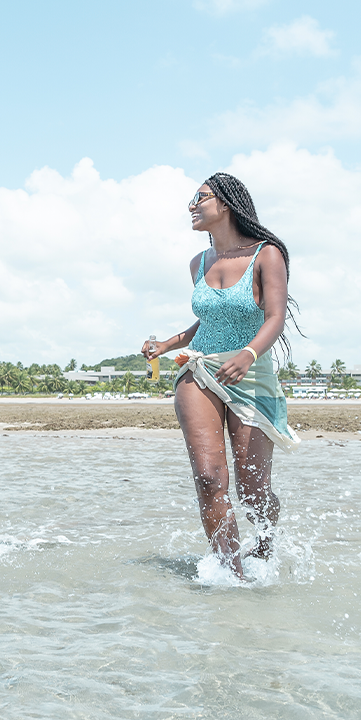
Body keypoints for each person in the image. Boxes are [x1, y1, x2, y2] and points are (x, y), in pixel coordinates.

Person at [143, 173, 300, 580]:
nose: (191, 206)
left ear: (226, 203)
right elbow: (209, 319)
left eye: (200, 198)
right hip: (199, 370)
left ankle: (264, 548)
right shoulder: (199, 262)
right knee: (210, 478)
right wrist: (167, 346)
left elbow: (275, 316)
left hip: (250, 372)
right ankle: (233, 576)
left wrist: (248, 354)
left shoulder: (266, 254)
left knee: (252, 491)